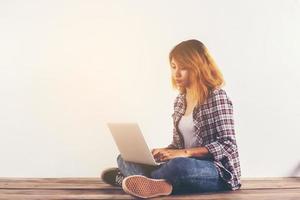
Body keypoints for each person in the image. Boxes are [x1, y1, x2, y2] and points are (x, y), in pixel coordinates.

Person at [101, 39, 242, 199]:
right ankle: (157, 184)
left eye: (184, 68)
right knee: (125, 157)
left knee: (178, 165)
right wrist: (162, 152)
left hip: (216, 171)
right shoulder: (180, 101)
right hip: (183, 163)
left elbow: (228, 145)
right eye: (174, 67)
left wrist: (184, 153)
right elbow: (178, 146)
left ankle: (128, 179)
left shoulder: (217, 97)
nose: (176, 73)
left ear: (198, 67)